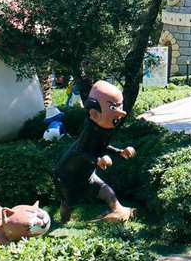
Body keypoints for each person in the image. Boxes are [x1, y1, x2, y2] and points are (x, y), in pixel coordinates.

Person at [52, 80, 136, 223]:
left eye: (119, 107)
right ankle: (63, 222)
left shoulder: (103, 130)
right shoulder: (90, 130)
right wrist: (97, 160)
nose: (120, 113)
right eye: (113, 107)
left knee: (106, 190)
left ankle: (118, 210)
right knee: (68, 202)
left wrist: (120, 152)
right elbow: (79, 152)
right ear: (94, 113)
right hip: (67, 176)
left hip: (86, 174)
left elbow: (102, 147)